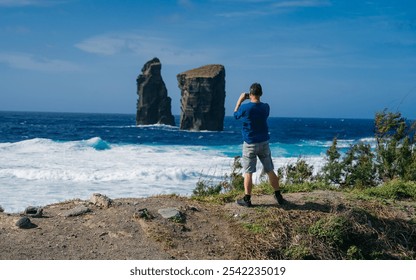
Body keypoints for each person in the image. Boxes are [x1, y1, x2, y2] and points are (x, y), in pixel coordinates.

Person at [233, 82, 285, 207]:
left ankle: (247, 199)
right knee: (269, 169)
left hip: (250, 144)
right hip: (264, 143)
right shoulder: (266, 107)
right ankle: (278, 195)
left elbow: (235, 115)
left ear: (250, 94)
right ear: (261, 94)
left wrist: (239, 101)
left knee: (248, 172)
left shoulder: (245, 108)